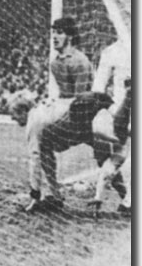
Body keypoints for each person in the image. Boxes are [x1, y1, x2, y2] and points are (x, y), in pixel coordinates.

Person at [13, 17, 105, 212]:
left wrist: (52, 107)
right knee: (44, 146)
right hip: (68, 114)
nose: (54, 36)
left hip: (84, 115)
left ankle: (127, 200)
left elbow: (81, 99)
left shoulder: (79, 61)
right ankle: (55, 195)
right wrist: (53, 102)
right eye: (53, 32)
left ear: (70, 37)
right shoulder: (55, 63)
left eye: (60, 32)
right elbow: (64, 95)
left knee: (106, 153)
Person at [89, 38, 131, 215]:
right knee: (112, 158)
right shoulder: (112, 51)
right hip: (121, 114)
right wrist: (112, 110)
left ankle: (128, 202)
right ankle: (126, 199)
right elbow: (97, 89)